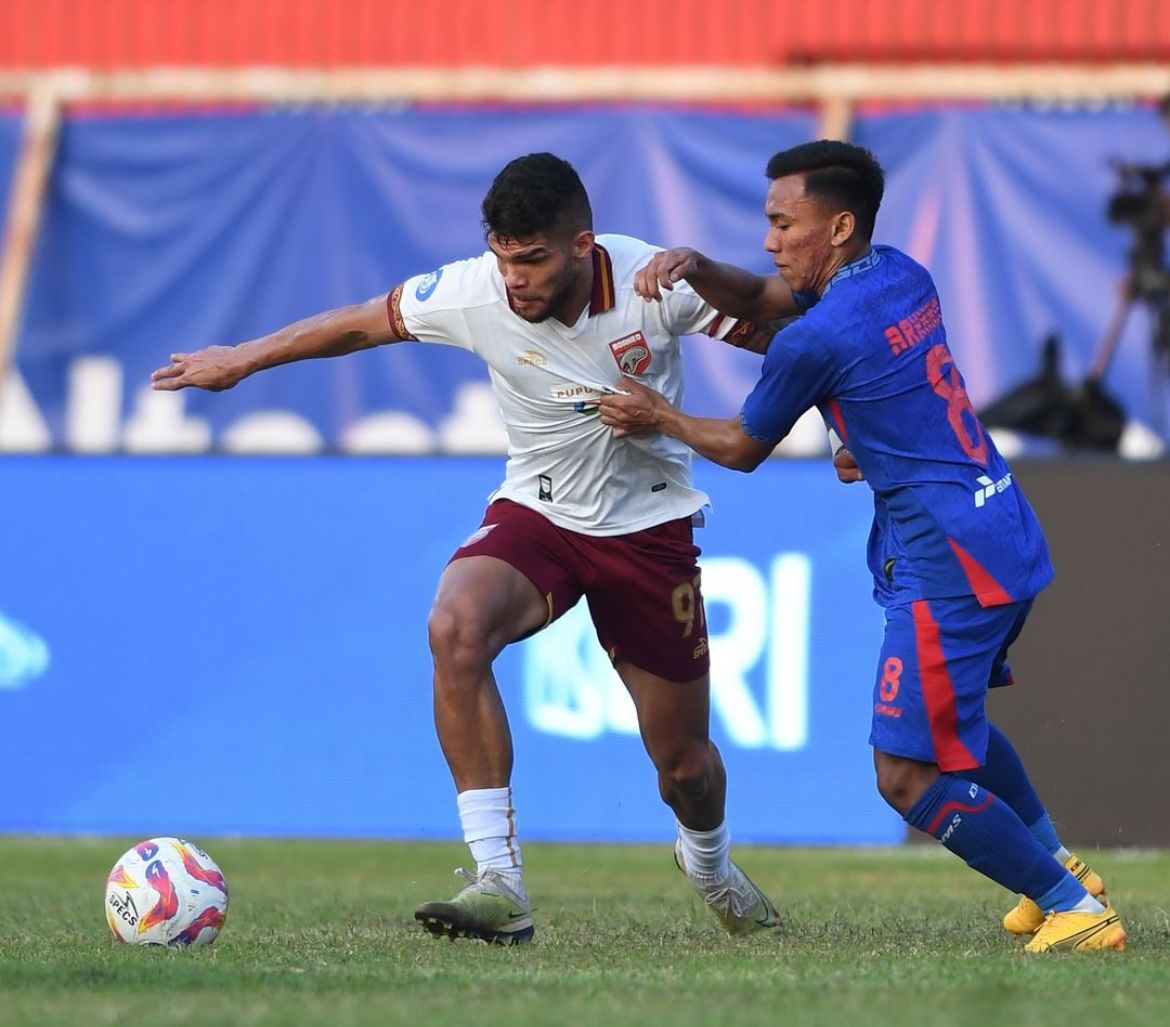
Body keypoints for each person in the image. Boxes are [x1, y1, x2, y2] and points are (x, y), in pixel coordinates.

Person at [150, 152, 781, 946]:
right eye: (502, 257)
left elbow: (785, 340)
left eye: (532, 259)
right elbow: (355, 322)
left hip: (648, 531)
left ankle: (710, 864)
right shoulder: (473, 290)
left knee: (686, 765)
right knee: (455, 626)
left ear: (584, 245)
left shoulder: (654, 284)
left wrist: (845, 426)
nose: (513, 278)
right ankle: (499, 879)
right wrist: (242, 358)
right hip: (539, 514)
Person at [597, 140, 1127, 953]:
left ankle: (1075, 909)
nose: (769, 239)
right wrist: (698, 266)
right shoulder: (903, 273)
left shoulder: (816, 338)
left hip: (951, 563)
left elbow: (741, 445)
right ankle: (1061, 866)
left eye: (783, 222)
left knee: (906, 773)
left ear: (837, 225)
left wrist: (658, 415)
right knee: (965, 725)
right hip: (1003, 527)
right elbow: (813, 323)